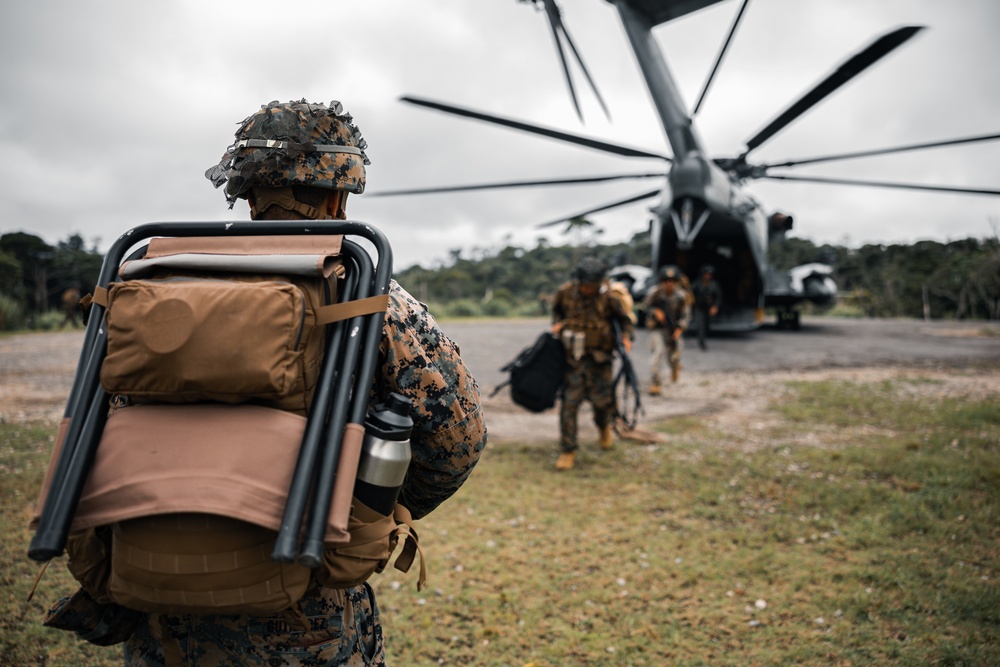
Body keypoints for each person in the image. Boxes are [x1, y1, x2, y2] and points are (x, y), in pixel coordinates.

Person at [50, 100, 488, 666]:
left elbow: (102, 419)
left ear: (246, 190)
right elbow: (457, 442)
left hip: (159, 589)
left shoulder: (156, 279)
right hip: (306, 601)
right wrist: (359, 513)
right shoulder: (367, 290)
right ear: (340, 194)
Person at [550, 256, 634, 471]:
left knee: (602, 403)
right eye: (586, 285)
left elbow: (626, 321)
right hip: (573, 361)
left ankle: (604, 427)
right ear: (579, 281)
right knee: (569, 404)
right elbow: (556, 313)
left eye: (593, 286)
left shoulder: (609, 297)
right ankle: (568, 450)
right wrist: (558, 326)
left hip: (600, 360)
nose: (589, 289)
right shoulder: (565, 293)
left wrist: (626, 338)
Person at [642, 265, 691, 394]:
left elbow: (686, 315)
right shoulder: (655, 293)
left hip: (674, 330)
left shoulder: (682, 296)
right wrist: (655, 311)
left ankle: (675, 368)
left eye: (672, 281)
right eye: (666, 281)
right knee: (657, 354)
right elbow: (644, 306)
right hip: (658, 329)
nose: (669, 284)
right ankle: (656, 383)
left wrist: (679, 329)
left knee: (674, 357)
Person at [691, 264, 722, 351]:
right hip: (699, 307)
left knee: (706, 325)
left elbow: (719, 297)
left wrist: (715, 306)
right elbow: (690, 293)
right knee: (700, 325)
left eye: (709, 274)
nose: (708, 276)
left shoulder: (714, 284)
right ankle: (701, 342)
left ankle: (704, 337)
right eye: (706, 274)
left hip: (709, 307)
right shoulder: (697, 283)